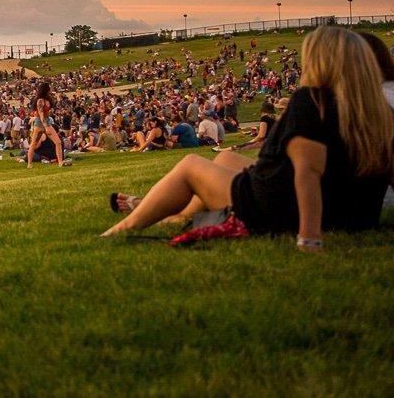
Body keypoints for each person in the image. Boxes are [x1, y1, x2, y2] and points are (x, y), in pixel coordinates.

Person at [102, 26, 394, 248]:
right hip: (354, 215)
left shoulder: (313, 101)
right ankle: (172, 215)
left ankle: (122, 229)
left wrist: (309, 238)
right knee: (226, 156)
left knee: (191, 165)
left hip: (275, 208)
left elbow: (308, 172)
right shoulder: (379, 110)